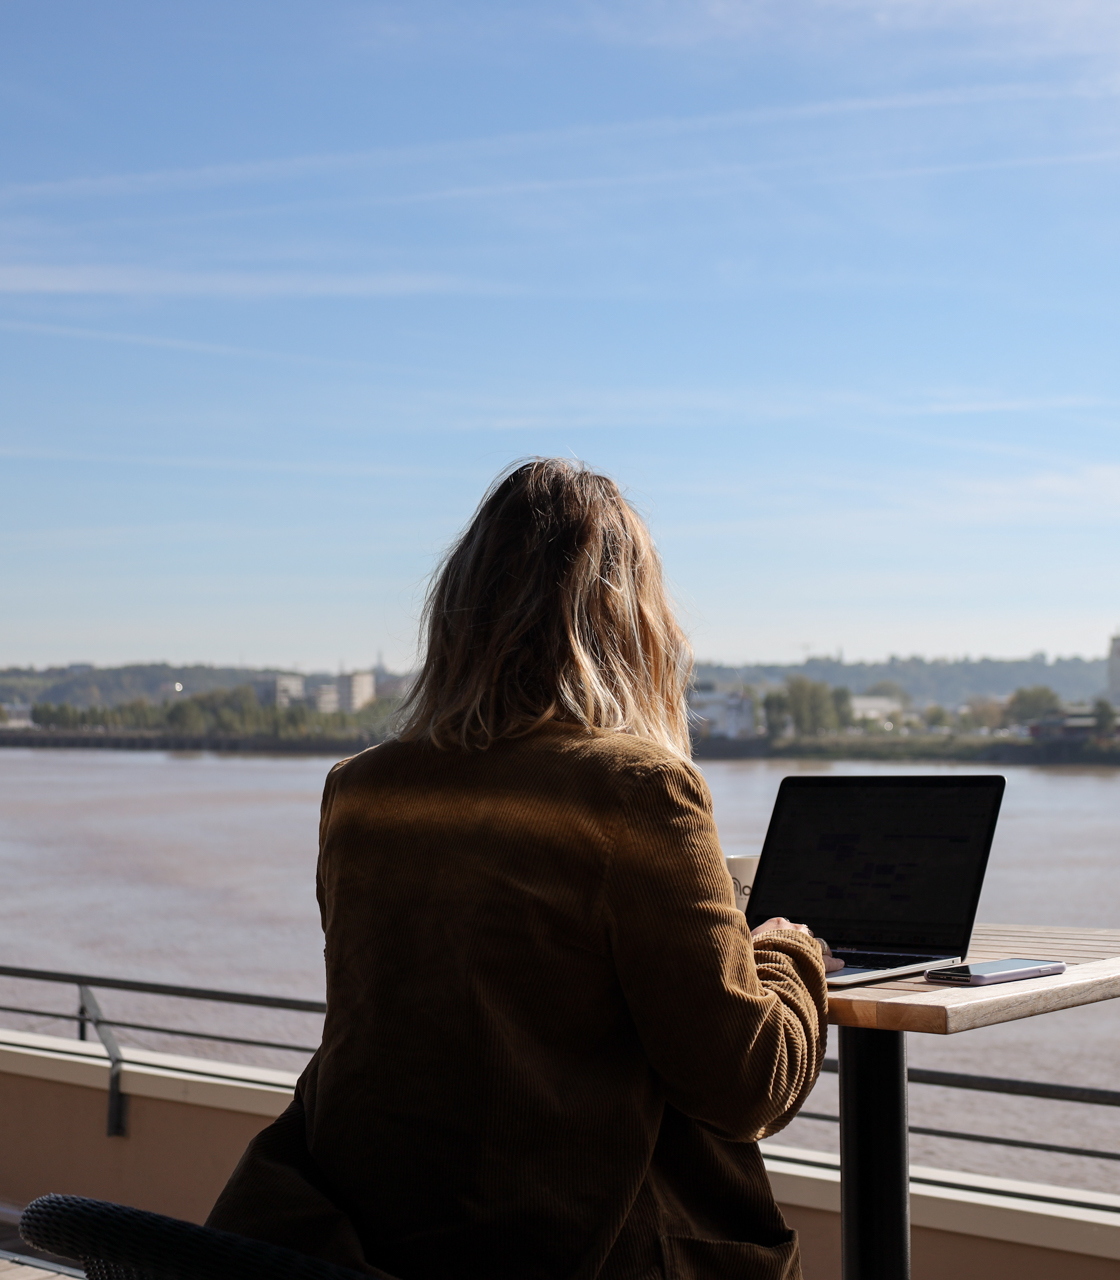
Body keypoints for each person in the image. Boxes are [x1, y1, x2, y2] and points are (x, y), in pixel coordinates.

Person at [207, 458, 839, 1280]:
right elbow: (747, 1085)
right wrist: (786, 954)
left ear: (458, 613)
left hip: (374, 1249)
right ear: (631, 621)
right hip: (587, 1250)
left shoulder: (360, 793)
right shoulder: (638, 792)